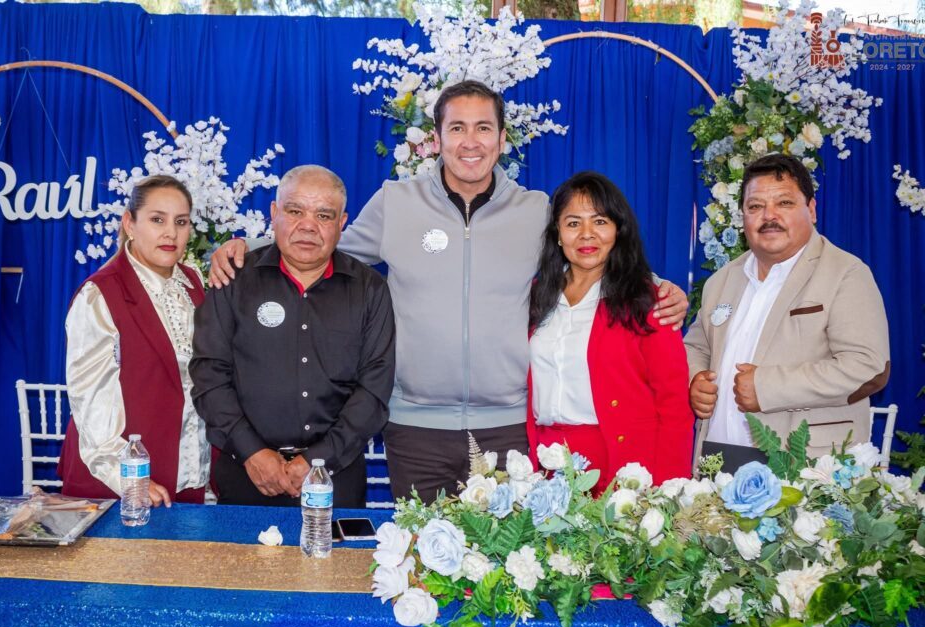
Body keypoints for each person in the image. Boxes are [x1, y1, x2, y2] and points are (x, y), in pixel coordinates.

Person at [208, 81, 688, 503]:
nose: (470, 141)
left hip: (510, 432)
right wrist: (246, 247)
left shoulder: (536, 210)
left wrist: (655, 287)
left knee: (506, 564)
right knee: (421, 563)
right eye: (457, 128)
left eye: (483, 128)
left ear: (502, 139)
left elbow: (589, 252)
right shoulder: (397, 202)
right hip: (416, 430)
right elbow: (323, 241)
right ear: (436, 139)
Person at [189, 165, 395, 507]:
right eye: (295, 211)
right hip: (246, 473)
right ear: (274, 213)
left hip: (337, 477)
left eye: (324, 215)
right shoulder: (233, 280)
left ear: (342, 222)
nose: (308, 226)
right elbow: (209, 375)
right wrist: (252, 452)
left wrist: (318, 459)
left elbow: (374, 390)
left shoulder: (370, 290)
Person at [684, 154, 890, 468]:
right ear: (743, 216)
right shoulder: (722, 280)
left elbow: (869, 368)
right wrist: (695, 379)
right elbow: (696, 346)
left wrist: (766, 387)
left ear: (811, 209)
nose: (769, 216)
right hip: (719, 460)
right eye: (755, 206)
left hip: (806, 466)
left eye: (784, 203)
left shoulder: (845, 274)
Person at [528, 172, 693, 494]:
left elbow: (673, 403)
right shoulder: (535, 296)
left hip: (619, 465)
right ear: (558, 234)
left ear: (618, 230)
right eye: (573, 223)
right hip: (545, 465)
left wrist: (668, 489)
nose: (586, 234)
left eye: (600, 221)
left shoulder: (649, 300)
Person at [59, 175, 210, 505]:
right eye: (157, 220)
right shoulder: (100, 294)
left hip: (187, 479)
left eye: (181, 222)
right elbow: (90, 403)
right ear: (130, 223)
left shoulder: (193, 283)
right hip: (122, 485)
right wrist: (129, 477)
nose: (170, 233)